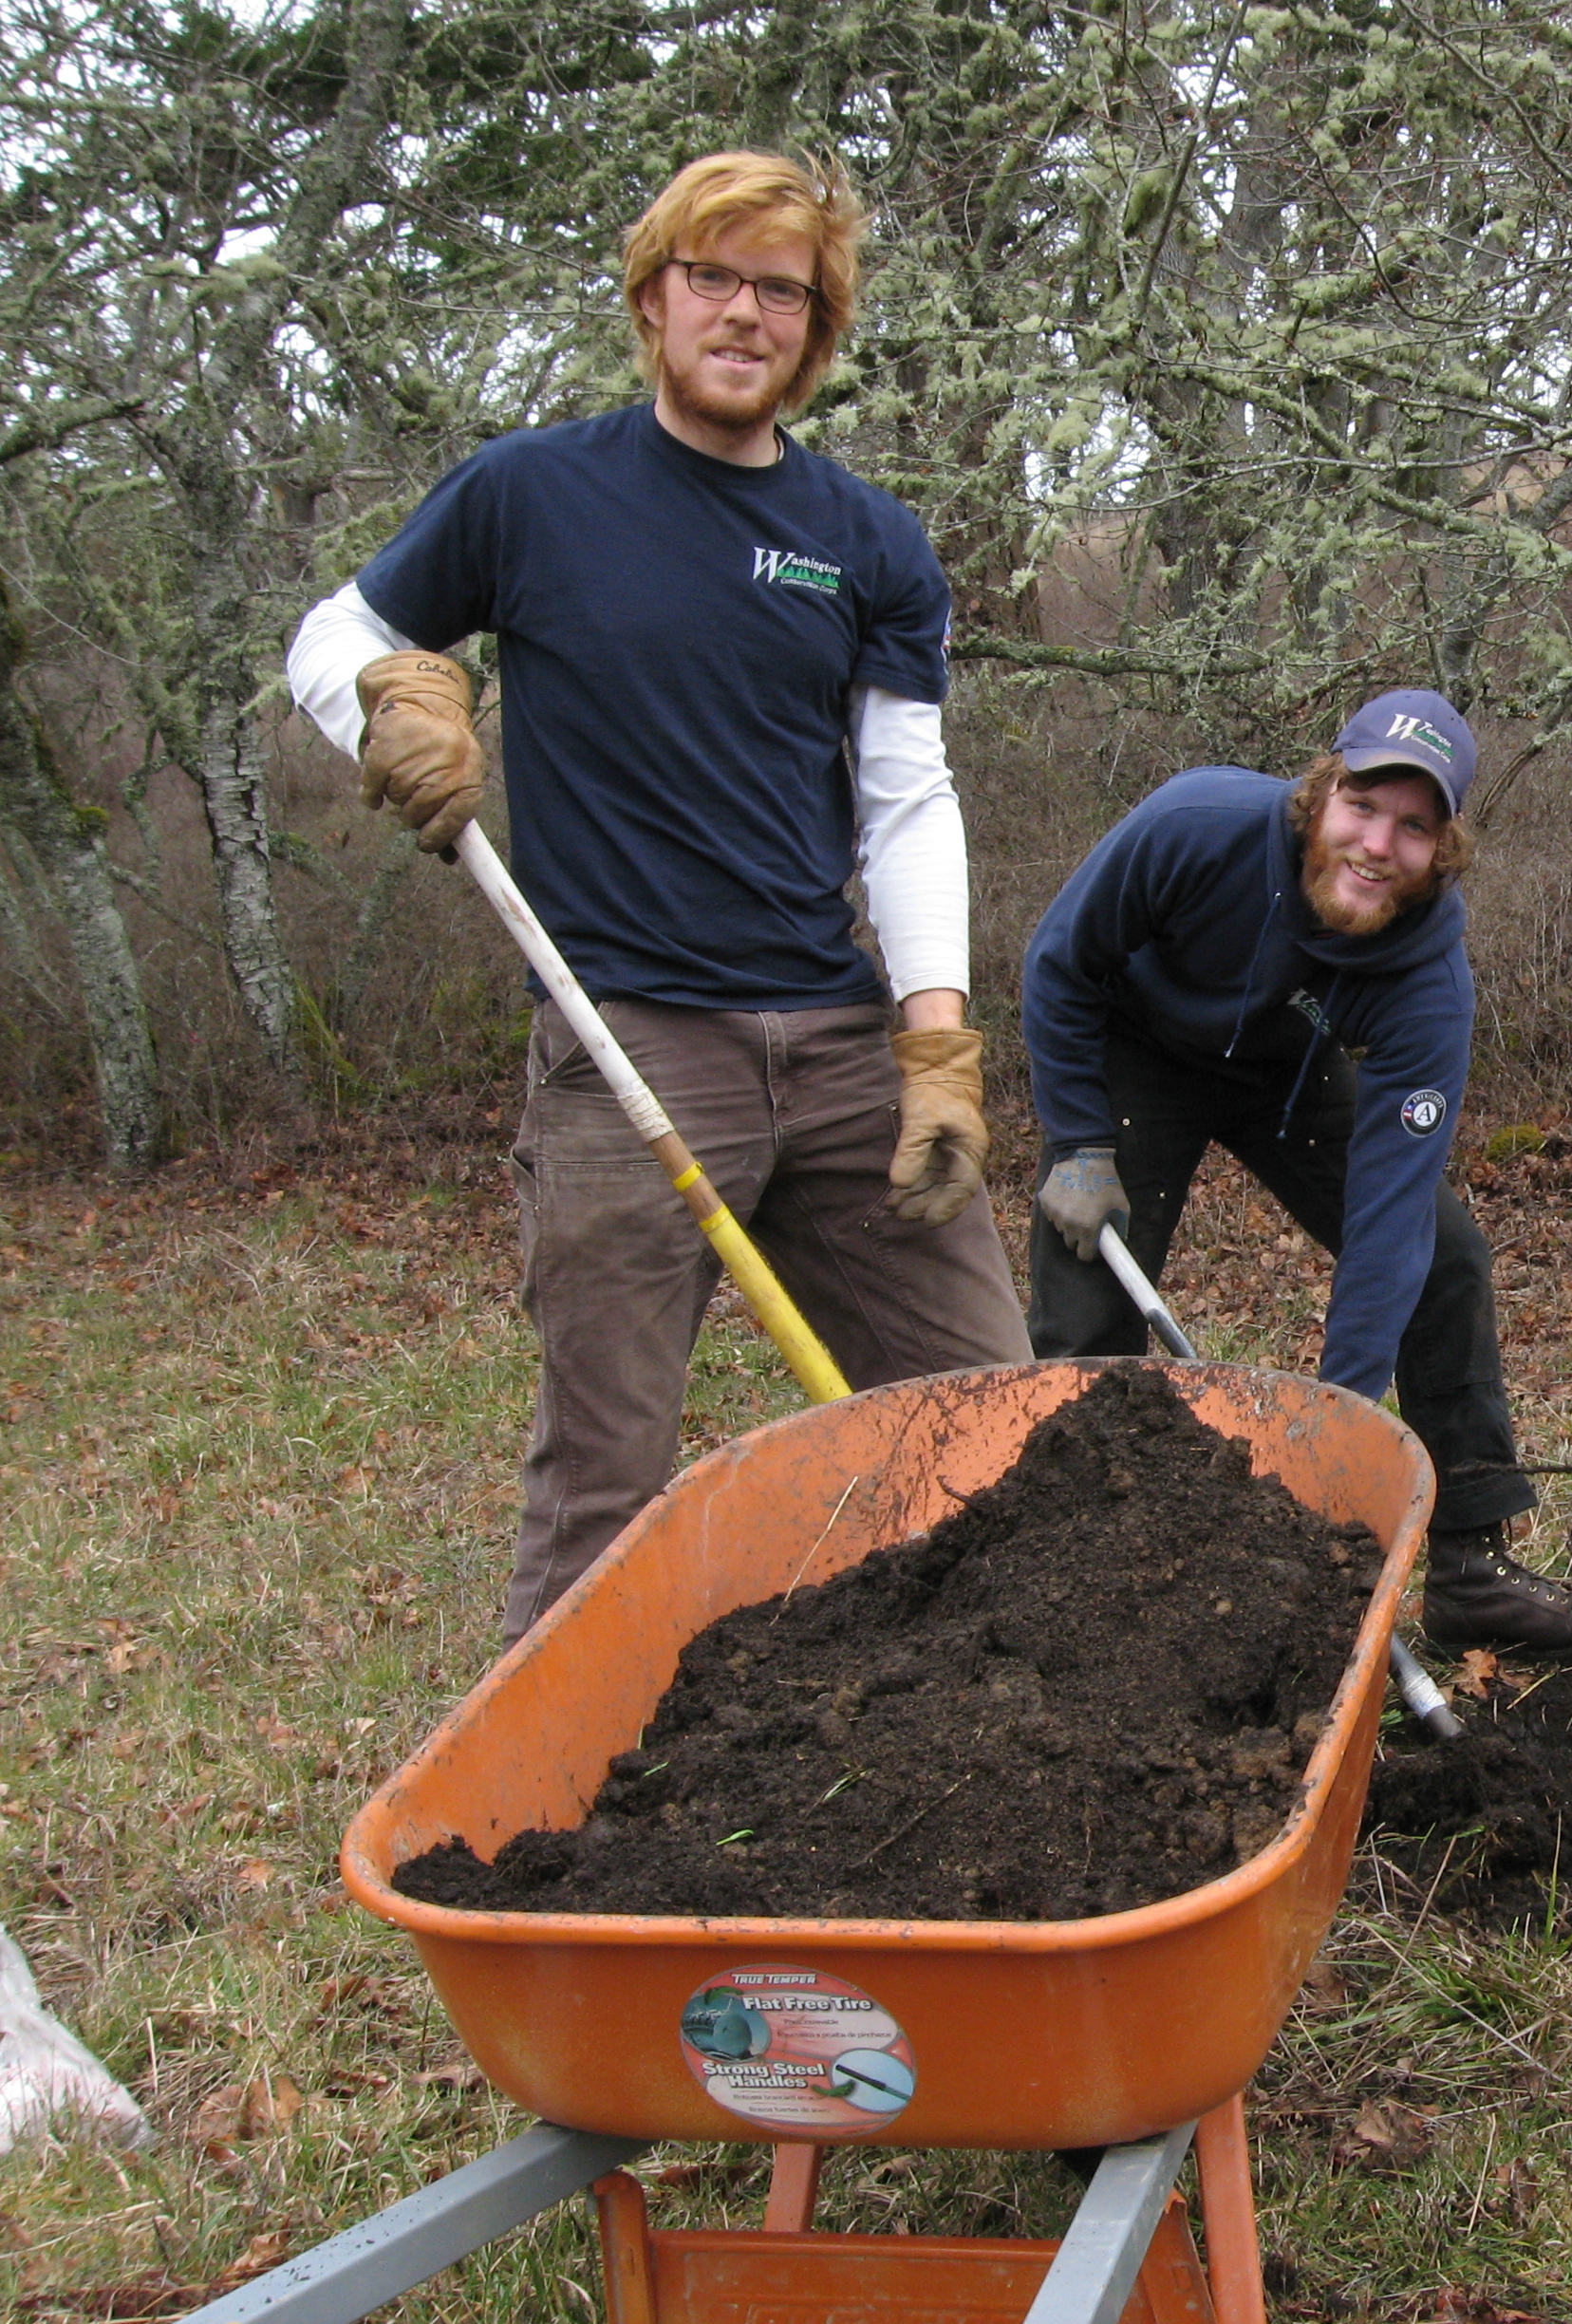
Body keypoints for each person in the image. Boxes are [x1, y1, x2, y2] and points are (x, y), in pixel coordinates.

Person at [287, 150, 1032, 1644]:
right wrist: (386, 694)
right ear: (653, 296)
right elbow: (336, 630)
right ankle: (535, 1832)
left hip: (836, 1049)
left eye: (784, 290)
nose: (746, 313)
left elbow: (905, 798)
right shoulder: (530, 495)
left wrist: (935, 1044)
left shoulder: (868, 543)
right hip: (627, 1048)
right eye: (715, 277)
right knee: (605, 1475)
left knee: (996, 1422)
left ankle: (1007, 1723)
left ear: (815, 333)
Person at [1020, 690, 1572, 1663]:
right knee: (1088, 1293)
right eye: (1363, 805)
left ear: (1444, 850)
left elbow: (1389, 1224)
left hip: (1287, 1073)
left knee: (1442, 1260)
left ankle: (1472, 1572)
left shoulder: (1425, 983)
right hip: (1134, 1048)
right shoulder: (1197, 825)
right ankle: (1080, 1585)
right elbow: (1061, 963)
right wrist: (1079, 1142)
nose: (1376, 844)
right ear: (1320, 794)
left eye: (1414, 826)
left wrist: (1332, 1434)